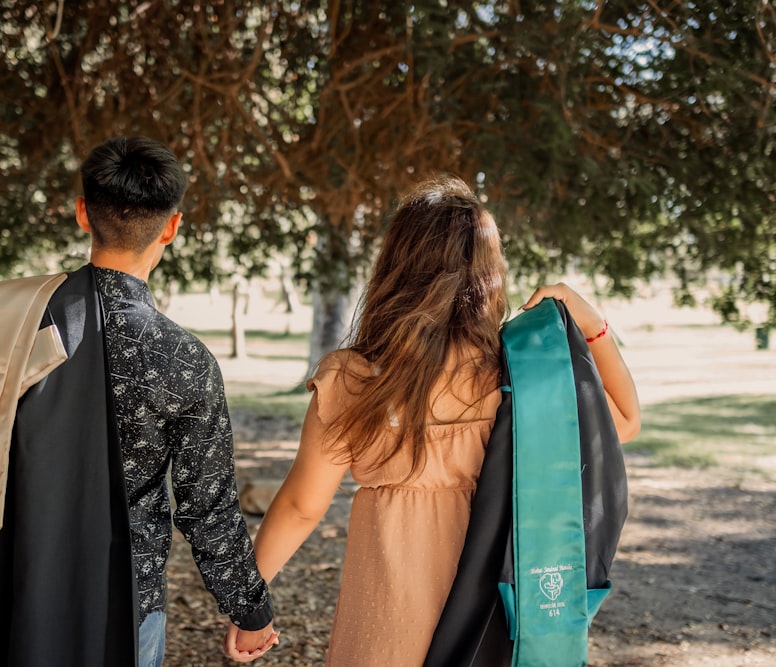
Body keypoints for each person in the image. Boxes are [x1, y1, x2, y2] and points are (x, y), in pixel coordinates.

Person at [234, 176, 641, 666]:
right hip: (489, 621)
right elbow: (623, 421)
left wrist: (246, 603)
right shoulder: (520, 376)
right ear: (488, 274)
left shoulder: (352, 378)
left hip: (384, 621)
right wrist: (589, 319)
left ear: (394, 268)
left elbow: (302, 505)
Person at [0, 136, 277, 666]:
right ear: (172, 227)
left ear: (83, 214)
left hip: (17, 591)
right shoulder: (184, 360)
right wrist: (250, 612)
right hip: (128, 608)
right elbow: (207, 509)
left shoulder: (15, 323)